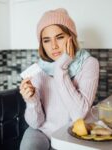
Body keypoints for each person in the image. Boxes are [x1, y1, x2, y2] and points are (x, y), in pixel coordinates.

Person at [19, 8, 99, 150]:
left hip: (72, 134)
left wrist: (61, 68)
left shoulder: (89, 64)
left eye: (60, 37)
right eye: (46, 40)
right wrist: (32, 101)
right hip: (40, 133)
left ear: (71, 36)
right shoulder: (38, 69)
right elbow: (35, 124)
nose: (54, 46)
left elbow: (78, 115)